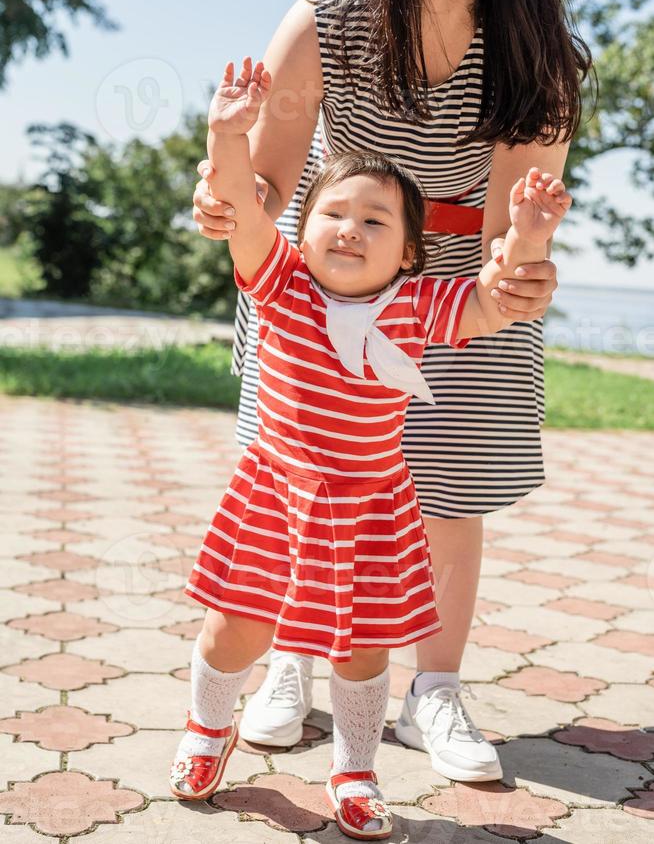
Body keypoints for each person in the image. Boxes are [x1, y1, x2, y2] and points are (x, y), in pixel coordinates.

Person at [192, 0, 591, 782]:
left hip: (456, 281)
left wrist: (517, 269)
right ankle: (289, 660)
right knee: (303, 477)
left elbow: (511, 225)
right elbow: (270, 174)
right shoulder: (330, 12)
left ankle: (435, 693)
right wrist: (230, 200)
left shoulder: (539, 52)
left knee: (446, 493)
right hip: (331, 269)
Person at [170, 57, 572, 841]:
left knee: (362, 649)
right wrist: (228, 133)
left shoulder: (417, 306)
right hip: (274, 495)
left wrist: (527, 235)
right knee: (235, 628)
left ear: (409, 254)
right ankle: (206, 733)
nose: (350, 228)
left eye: (376, 220)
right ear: (306, 229)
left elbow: (495, 299)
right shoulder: (279, 282)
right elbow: (241, 209)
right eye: (334, 214)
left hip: (368, 504)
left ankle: (355, 773)